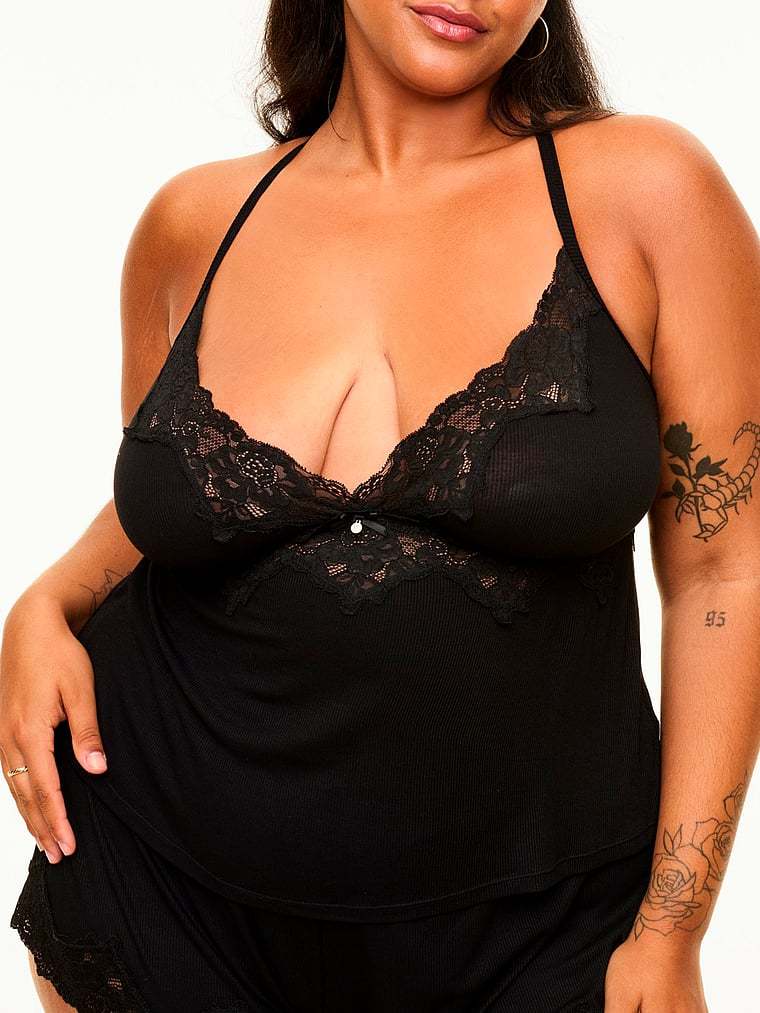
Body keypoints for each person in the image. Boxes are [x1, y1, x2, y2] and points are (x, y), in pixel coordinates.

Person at [3, 2, 759, 1011]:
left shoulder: (646, 191)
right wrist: (46, 601)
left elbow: (724, 571)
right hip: (169, 890)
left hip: (544, 931)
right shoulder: (194, 223)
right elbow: (182, 502)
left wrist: (672, 930)